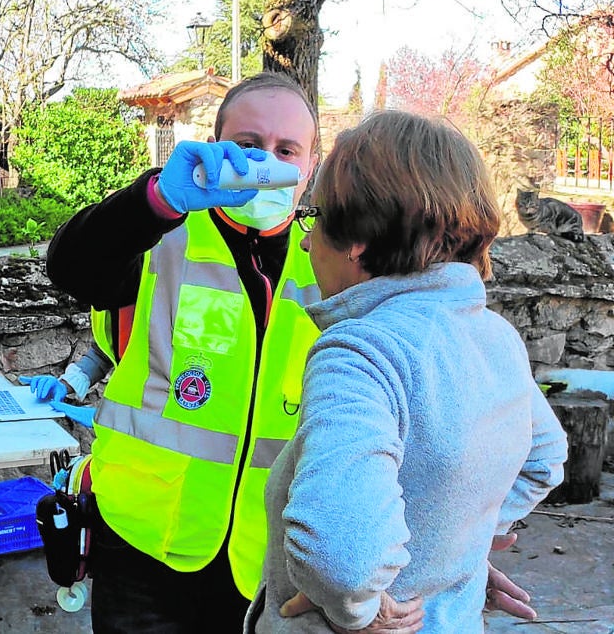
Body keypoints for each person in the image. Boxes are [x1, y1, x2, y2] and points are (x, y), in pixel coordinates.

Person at [249, 110, 568, 632]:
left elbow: (341, 557)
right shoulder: (495, 336)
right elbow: (545, 456)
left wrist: (358, 608)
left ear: (359, 240)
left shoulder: (359, 352)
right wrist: (454, 550)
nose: (306, 243)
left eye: (316, 221)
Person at [46, 71, 324, 631]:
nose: (263, 161)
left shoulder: (327, 263)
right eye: (247, 145)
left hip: (268, 557)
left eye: (285, 149)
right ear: (217, 145)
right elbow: (71, 267)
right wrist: (159, 199)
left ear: (310, 165)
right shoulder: (161, 236)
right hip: (144, 542)